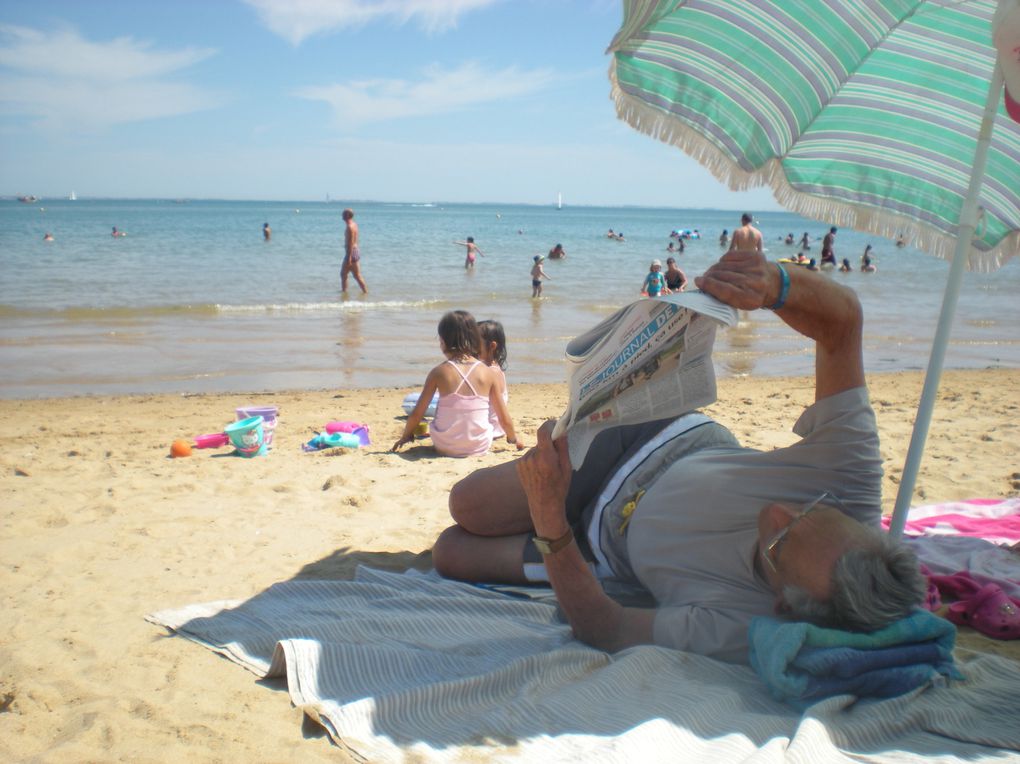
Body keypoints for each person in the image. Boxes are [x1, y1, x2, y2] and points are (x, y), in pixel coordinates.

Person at [431, 250, 926, 664]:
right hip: (656, 442)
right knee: (467, 503)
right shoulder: (851, 481)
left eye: (780, 543)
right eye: (811, 511)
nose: (778, 513)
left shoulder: (741, 626)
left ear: (784, 604)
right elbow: (843, 323)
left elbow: (606, 626)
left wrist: (548, 519)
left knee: (452, 553)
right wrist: (776, 284)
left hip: (600, 549)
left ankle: (542, 517)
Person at [393, 310, 523, 457]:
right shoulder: (488, 373)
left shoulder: (438, 372)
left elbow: (417, 413)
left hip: (444, 445)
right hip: (479, 446)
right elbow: (504, 418)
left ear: (442, 341)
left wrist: (406, 436)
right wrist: (513, 439)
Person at [478, 319, 512, 440]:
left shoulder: (489, 372)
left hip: (490, 430)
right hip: (495, 428)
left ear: (492, 346)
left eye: (476, 342)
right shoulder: (495, 368)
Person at [341, 208, 367, 293]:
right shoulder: (354, 224)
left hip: (351, 252)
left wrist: (349, 258)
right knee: (353, 275)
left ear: (348, 215)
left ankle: (344, 293)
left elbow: (351, 243)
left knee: (344, 274)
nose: (342, 215)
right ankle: (364, 292)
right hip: (354, 251)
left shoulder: (350, 227)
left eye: (344, 213)